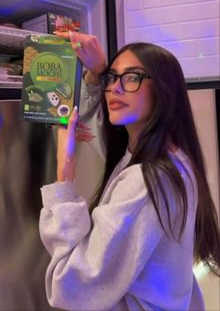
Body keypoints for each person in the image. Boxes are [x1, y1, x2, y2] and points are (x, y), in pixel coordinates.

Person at [39, 31, 220, 311]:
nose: (115, 89)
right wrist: (99, 72)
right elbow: (104, 133)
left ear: (163, 89)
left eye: (133, 77)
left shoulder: (147, 181)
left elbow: (71, 286)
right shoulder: (167, 157)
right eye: (112, 78)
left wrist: (64, 173)